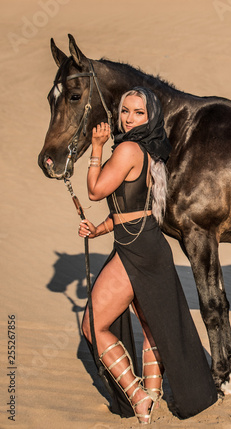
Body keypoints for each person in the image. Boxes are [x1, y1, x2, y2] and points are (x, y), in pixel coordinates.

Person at [78, 87, 218, 424]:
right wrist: (99, 230)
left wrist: (95, 149)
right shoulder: (147, 148)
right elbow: (133, 209)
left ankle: (139, 397)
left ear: (150, 116)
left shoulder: (127, 149)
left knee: (92, 325)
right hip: (146, 243)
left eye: (138, 112)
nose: (128, 118)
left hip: (137, 250)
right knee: (150, 322)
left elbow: (96, 191)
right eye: (125, 110)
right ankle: (153, 392)